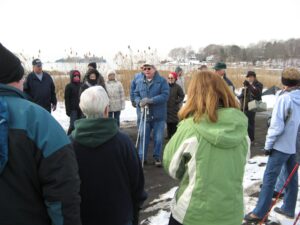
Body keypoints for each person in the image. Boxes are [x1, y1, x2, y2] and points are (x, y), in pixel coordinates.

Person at [0, 44, 81, 224]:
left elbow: (52, 90)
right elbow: (63, 190)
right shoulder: (39, 124)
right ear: (15, 79)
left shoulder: (47, 78)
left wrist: (52, 101)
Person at [163, 70, 248, 225]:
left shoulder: (189, 129)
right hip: (231, 214)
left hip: (193, 214)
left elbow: (172, 168)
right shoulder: (241, 129)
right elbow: (241, 163)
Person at [71, 86, 147, 225]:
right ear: (107, 109)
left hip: (82, 216)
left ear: (82, 109)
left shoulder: (69, 144)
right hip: (119, 216)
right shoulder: (123, 143)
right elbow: (137, 183)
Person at [244, 68, 300, 223]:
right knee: (292, 177)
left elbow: (276, 126)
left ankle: (259, 212)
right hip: (294, 146)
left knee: (269, 179)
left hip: (281, 145)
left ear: (284, 81)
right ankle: (288, 208)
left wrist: (268, 145)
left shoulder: (284, 99)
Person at [133, 63, 169, 166]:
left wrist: (151, 100)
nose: (147, 70)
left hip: (158, 116)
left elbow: (165, 95)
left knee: (158, 138)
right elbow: (136, 94)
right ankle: (141, 158)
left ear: (154, 69)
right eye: (145, 69)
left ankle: (157, 157)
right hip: (145, 116)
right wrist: (139, 102)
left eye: (149, 68)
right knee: (143, 137)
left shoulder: (162, 81)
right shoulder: (140, 81)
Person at [238, 71, 263, 142]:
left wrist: (249, 85)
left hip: (252, 106)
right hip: (244, 106)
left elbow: (256, 93)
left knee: (250, 123)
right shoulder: (247, 85)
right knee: (243, 123)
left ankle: (251, 139)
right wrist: (237, 97)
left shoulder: (258, 84)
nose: (249, 78)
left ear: (254, 77)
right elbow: (243, 94)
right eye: (248, 77)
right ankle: (244, 137)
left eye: (250, 77)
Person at [166, 72, 184, 139]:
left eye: (172, 78)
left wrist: (177, 101)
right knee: (168, 123)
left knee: (174, 123)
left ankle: (174, 136)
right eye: (169, 78)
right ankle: (168, 135)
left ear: (175, 79)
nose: (170, 79)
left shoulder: (178, 87)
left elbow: (182, 95)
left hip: (174, 108)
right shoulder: (165, 86)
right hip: (167, 108)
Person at [65, 70, 82, 135]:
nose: (76, 77)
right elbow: (67, 99)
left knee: (80, 125)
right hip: (73, 109)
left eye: (78, 76)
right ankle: (68, 137)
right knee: (72, 125)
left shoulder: (82, 85)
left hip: (81, 108)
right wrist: (67, 110)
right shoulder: (69, 86)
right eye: (75, 76)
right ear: (72, 77)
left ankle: (78, 137)